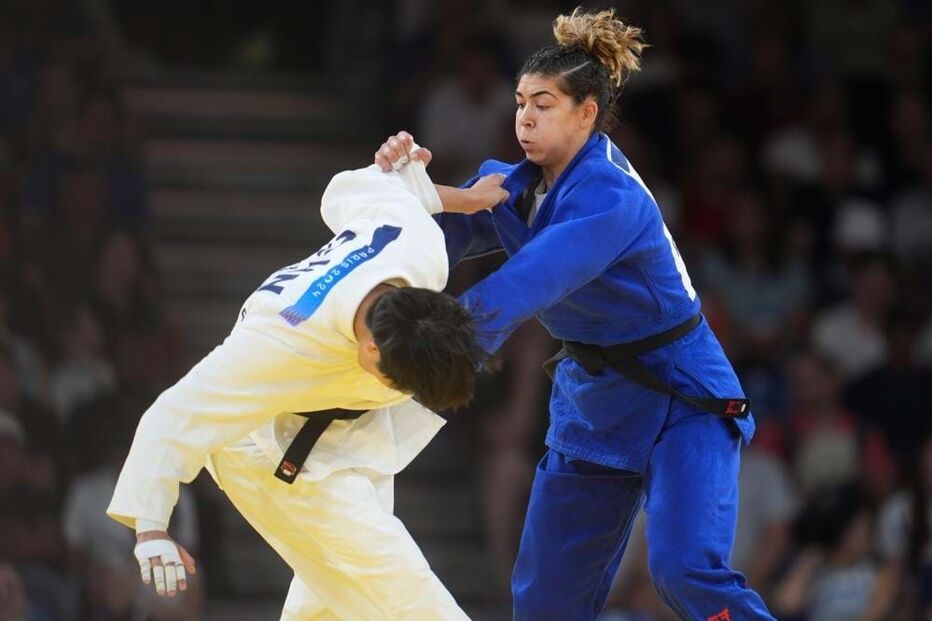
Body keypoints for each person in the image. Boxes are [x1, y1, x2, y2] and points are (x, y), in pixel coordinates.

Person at [376, 7, 775, 620]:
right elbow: (429, 244)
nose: (525, 118)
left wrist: (443, 338)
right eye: (520, 103)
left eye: (544, 104)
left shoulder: (613, 198)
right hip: (593, 401)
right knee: (544, 599)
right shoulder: (506, 186)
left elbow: (535, 277)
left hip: (681, 398)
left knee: (684, 570)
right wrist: (396, 190)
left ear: (587, 114)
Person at [106, 153, 508, 620]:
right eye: (398, 381)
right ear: (371, 349)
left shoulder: (418, 248)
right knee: (398, 582)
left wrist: (460, 197)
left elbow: (354, 188)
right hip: (267, 448)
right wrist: (151, 527)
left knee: (329, 605)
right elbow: (175, 411)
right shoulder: (277, 344)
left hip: (346, 431)